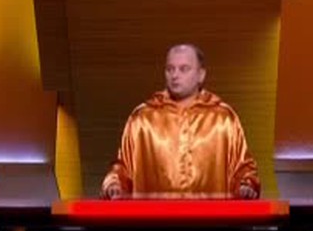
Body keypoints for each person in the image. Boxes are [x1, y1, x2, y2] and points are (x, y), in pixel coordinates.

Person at [100, 44, 260, 199]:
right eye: (170, 69)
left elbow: (243, 168)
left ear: (201, 75)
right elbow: (122, 168)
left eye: (184, 69)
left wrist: (247, 185)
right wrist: (114, 184)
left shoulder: (223, 119)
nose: (175, 75)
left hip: (210, 217)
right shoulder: (142, 119)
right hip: (155, 216)